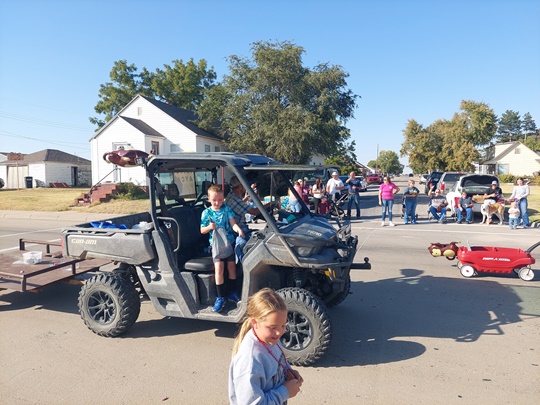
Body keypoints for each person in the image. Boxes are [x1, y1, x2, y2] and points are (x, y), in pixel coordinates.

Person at [229, 288, 303, 404]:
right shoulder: (250, 362)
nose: (279, 332)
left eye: (283, 325)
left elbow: (277, 359)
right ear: (255, 323)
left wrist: (287, 370)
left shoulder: (271, 339)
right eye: (273, 327)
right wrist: (284, 392)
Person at [200, 185, 245, 313]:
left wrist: (239, 230)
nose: (217, 203)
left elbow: (233, 223)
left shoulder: (226, 209)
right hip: (216, 246)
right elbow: (202, 230)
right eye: (214, 200)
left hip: (229, 243)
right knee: (219, 269)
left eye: (220, 200)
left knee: (232, 267)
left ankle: (232, 292)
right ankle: (220, 297)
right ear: (209, 199)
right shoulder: (206, 213)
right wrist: (210, 227)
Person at [226, 176, 275, 263]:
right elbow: (254, 211)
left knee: (264, 235)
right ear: (240, 186)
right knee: (263, 240)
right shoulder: (233, 200)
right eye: (244, 185)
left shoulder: (234, 196)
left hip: (242, 228)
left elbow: (242, 204)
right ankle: (245, 264)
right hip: (237, 231)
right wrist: (270, 204)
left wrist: (246, 199)